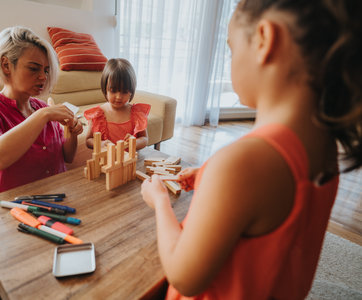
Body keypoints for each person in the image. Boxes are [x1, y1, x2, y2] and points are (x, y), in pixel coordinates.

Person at [141, 0, 362, 299]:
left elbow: (183, 276)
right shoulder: (324, 152)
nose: (230, 59)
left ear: (264, 39)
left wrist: (160, 203)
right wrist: (209, 176)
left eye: (231, 48)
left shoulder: (243, 164)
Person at [0, 26, 83, 267]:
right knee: (24, 265)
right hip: (9, 204)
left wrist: (71, 131)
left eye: (46, 70)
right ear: (6, 66)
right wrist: (43, 116)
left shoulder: (41, 107)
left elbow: (67, 157)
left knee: (69, 249)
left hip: (52, 199)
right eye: (34, 68)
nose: (43, 77)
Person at [84, 58, 150, 151]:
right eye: (113, 91)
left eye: (124, 91)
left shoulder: (136, 113)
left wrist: (134, 142)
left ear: (131, 91)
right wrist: (101, 144)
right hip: (106, 162)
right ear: (105, 88)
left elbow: (145, 139)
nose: (119, 96)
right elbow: (88, 140)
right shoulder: (97, 114)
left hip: (129, 161)